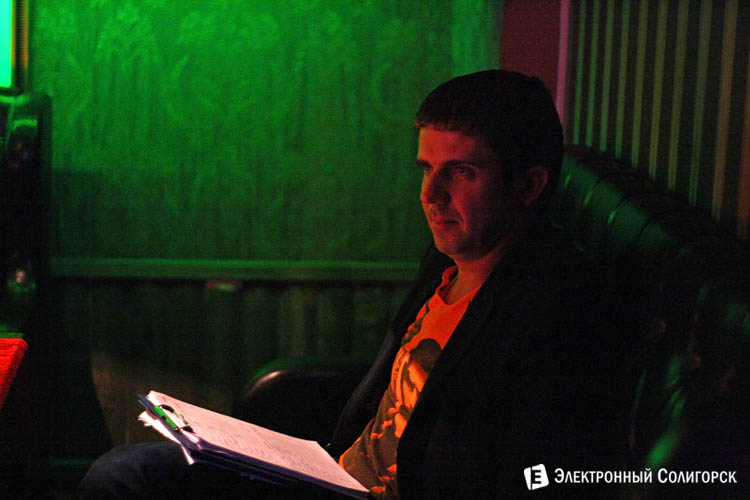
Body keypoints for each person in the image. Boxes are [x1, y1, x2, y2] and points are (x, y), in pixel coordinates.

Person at [78, 70, 623, 499]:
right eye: (426, 168)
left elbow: (532, 473)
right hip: (336, 472)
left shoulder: (557, 308)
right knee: (125, 469)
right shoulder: (448, 259)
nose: (430, 195)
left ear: (527, 186)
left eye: (462, 172)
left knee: (125, 477)